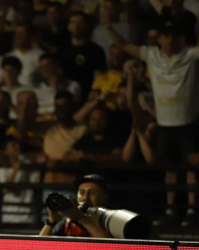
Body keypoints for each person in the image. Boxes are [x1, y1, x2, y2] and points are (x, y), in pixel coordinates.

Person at [109, 18, 199, 222]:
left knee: (191, 168)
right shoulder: (152, 55)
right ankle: (170, 210)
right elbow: (123, 45)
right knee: (170, 168)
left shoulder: (191, 55)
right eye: (166, 36)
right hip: (165, 123)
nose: (170, 40)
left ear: (181, 39)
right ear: (159, 39)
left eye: (174, 36)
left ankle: (192, 210)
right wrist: (108, 26)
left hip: (188, 121)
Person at [40, 174, 111, 238]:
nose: (85, 198)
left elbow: (112, 245)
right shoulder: (69, 223)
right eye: (82, 192)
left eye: (92, 193)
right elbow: (38, 246)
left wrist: (82, 219)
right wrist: (51, 221)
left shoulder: (110, 219)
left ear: (105, 197)